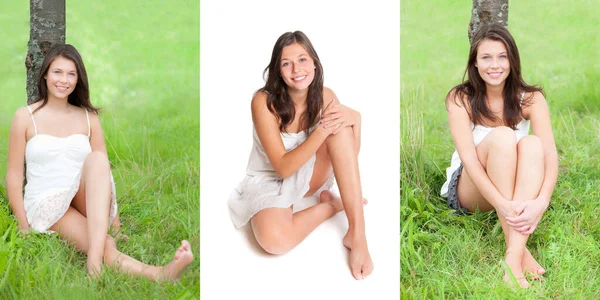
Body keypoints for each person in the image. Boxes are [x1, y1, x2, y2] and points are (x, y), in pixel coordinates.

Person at [5, 44, 193, 280]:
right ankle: (160, 274)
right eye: (58, 72)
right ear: (45, 74)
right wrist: (23, 224)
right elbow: (13, 176)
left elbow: (104, 171)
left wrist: (116, 222)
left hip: (84, 193)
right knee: (103, 242)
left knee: (96, 159)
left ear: (78, 79)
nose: (64, 80)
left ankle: (94, 263)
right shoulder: (25, 116)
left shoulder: (88, 117)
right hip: (48, 201)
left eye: (71, 74)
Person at [228, 31, 374, 280]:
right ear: (278, 70)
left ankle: (357, 235)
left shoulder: (326, 96)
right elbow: (283, 168)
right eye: (287, 63)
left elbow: (348, 156)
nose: (297, 69)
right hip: (270, 178)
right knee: (274, 241)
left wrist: (357, 121)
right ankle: (331, 205)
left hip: (311, 176)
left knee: (341, 128)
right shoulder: (263, 102)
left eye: (303, 59)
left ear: (315, 63)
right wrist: (322, 130)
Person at [441, 24, 558, 288]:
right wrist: (503, 206)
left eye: (502, 56)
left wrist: (541, 201)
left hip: (515, 187)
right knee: (504, 136)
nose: (495, 65)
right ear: (475, 63)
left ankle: (511, 260)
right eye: (486, 57)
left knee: (532, 145)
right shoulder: (460, 98)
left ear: (512, 60)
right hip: (471, 187)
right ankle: (518, 254)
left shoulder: (532, 99)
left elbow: (550, 158)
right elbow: (469, 162)